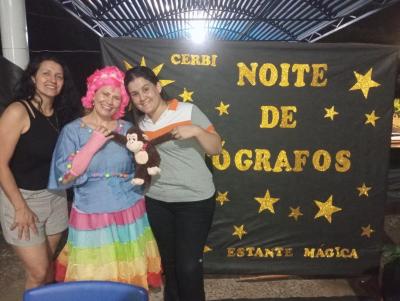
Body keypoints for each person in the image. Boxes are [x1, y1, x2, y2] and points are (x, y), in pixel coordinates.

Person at [48, 66, 162, 290]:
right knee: (96, 278)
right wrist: (92, 144)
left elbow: (142, 162)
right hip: (92, 215)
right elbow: (64, 176)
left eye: (117, 97)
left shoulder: (128, 128)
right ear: (93, 93)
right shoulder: (72, 131)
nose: (110, 101)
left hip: (129, 212)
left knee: (128, 276)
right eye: (105, 93)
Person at [124, 66, 222, 301]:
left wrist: (196, 130)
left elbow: (216, 148)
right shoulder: (140, 126)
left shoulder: (188, 111)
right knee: (170, 265)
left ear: (158, 87)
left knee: (188, 267)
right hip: (157, 201)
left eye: (146, 89)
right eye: (135, 93)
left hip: (195, 201)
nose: (142, 97)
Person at [0, 54, 80, 289]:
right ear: (33, 78)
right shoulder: (19, 111)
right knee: (38, 271)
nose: (52, 80)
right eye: (46, 73)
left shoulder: (60, 114)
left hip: (55, 197)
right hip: (23, 198)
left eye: (59, 76)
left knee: (48, 269)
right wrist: (20, 207)